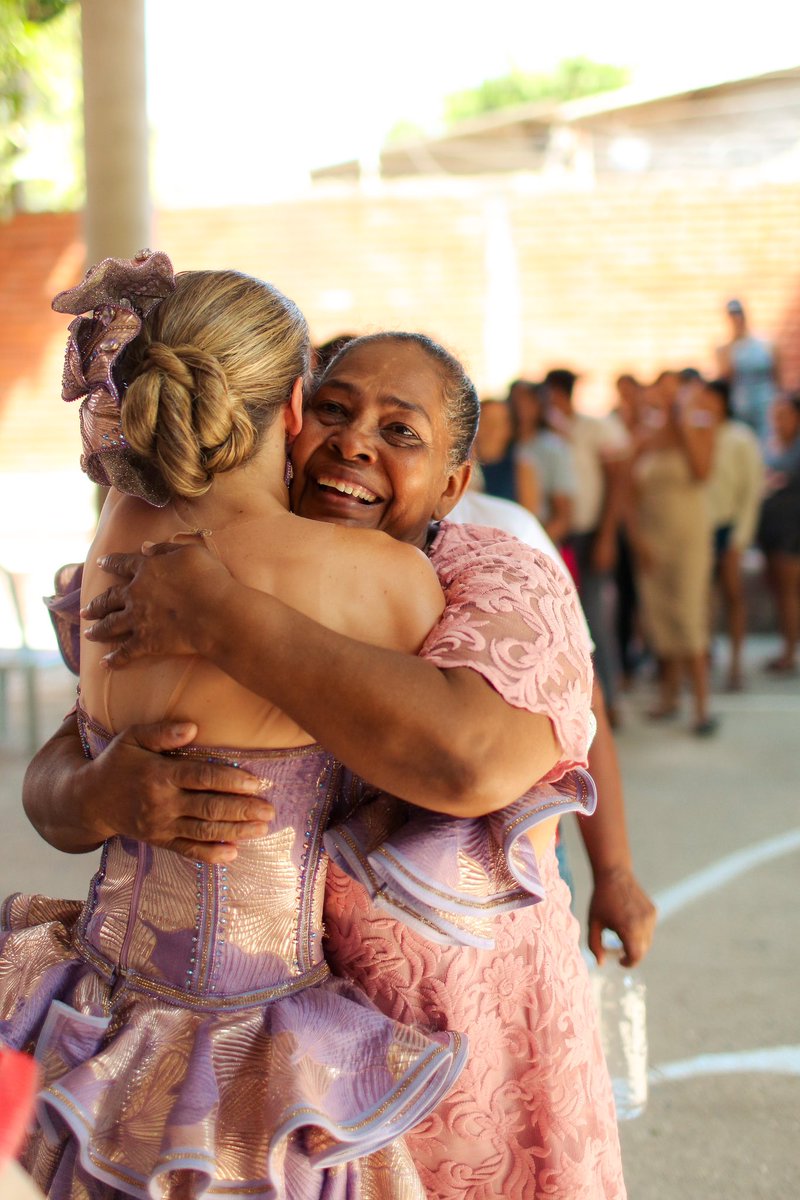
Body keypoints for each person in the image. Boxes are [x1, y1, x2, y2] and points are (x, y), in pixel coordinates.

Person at [27, 331, 629, 1198]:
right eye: (335, 411)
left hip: (467, 1042)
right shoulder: (193, 557)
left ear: (453, 484)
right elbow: (59, 770)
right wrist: (99, 793)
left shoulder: (495, 574)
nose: (355, 444)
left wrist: (224, 618)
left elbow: (471, 760)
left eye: (400, 431)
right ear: (290, 423)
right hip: (269, 1061)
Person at [631, 371, 717, 734]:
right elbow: (629, 492)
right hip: (653, 537)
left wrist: (683, 423)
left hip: (688, 538)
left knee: (688, 614)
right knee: (659, 615)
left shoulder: (700, 425)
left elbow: (702, 471)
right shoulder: (644, 434)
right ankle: (669, 697)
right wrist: (638, 540)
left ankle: (702, 706)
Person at [544, 367, 631, 724]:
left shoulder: (595, 428)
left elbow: (618, 481)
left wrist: (607, 535)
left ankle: (609, 700)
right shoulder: (547, 432)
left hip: (591, 532)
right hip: (559, 535)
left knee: (595, 618)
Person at [702, 377, 764, 690]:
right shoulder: (697, 433)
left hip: (728, 526)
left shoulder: (740, 438)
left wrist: (740, 538)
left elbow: (751, 490)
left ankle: (736, 664)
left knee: (733, 596)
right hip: (700, 527)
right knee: (702, 599)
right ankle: (705, 658)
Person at [757, 392, 800, 673]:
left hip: (792, 532)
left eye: (784, 415)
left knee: (789, 593)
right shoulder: (773, 445)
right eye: (776, 415)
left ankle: (789, 653)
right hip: (772, 529)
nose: (778, 421)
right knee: (781, 593)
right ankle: (787, 647)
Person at [507, 378, 575, 545]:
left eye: (527, 401)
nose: (520, 408)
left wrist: (530, 545)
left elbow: (563, 515)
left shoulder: (552, 448)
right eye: (515, 401)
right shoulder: (500, 447)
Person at [715, 298, 780, 445]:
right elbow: (725, 377)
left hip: (765, 404)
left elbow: (777, 376)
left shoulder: (765, 345)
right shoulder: (726, 349)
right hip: (741, 406)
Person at [471, 397, 540, 514]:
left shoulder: (521, 467)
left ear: (509, 429)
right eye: (486, 421)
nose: (491, 429)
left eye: (498, 423)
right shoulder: (464, 465)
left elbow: (529, 515)